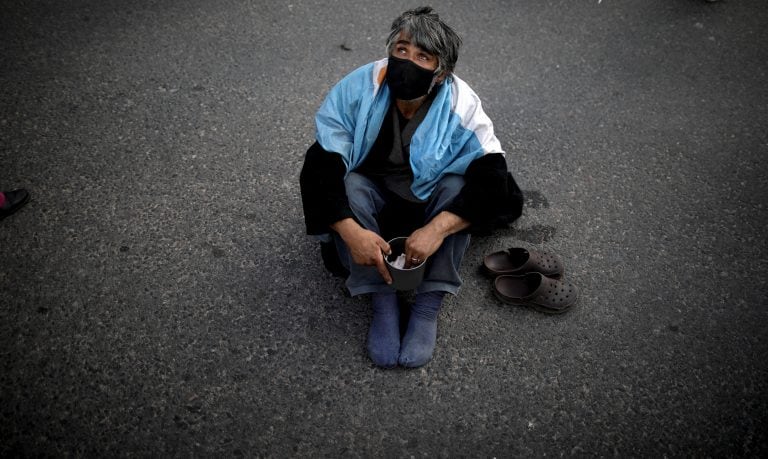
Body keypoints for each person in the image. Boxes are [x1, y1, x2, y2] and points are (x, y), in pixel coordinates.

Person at [300, 7, 522, 368]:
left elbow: (492, 174)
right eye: (401, 49)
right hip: (376, 193)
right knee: (351, 185)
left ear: (441, 72)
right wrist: (349, 230)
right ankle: (382, 300)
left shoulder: (461, 104)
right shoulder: (359, 88)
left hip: (428, 197)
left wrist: (437, 229)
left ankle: (428, 302)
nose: (408, 61)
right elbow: (320, 163)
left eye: (423, 56)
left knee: (456, 186)